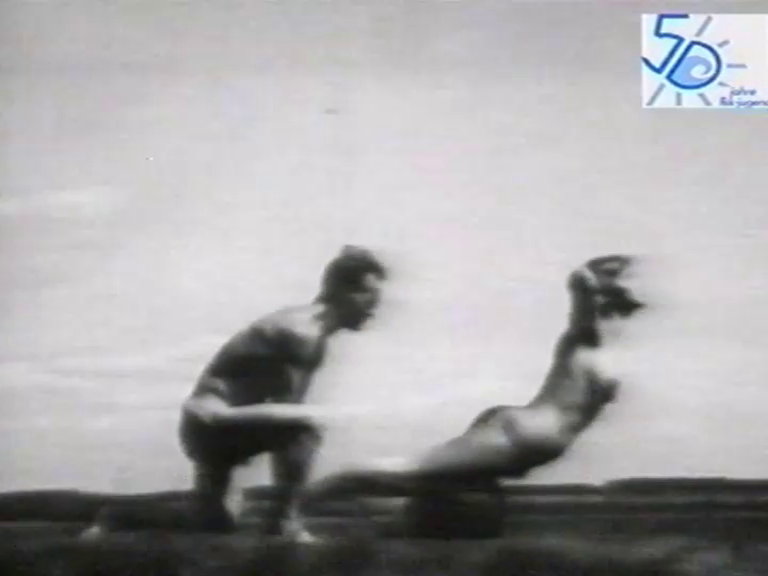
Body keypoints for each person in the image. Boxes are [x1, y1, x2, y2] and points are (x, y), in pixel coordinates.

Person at [299, 255, 646, 519]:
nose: (626, 308)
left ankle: (315, 507)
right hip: (522, 436)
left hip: (527, 438)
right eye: (620, 296)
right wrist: (608, 274)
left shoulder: (607, 347)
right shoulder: (586, 337)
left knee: (431, 483)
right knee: (406, 472)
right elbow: (580, 281)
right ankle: (303, 501)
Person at [177, 245, 386, 541]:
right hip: (210, 423)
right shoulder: (302, 333)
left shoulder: (306, 330)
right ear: (340, 290)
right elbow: (287, 413)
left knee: (215, 526)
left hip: (209, 425)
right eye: (368, 295)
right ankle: (286, 522)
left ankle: (197, 508)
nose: (374, 308)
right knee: (304, 426)